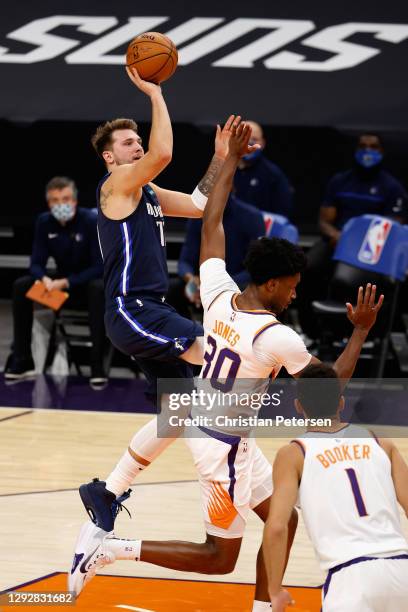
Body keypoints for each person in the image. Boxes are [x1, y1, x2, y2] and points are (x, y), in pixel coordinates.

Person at [70, 122, 383, 609]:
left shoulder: (217, 293)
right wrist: (361, 329)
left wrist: (227, 158)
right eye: (295, 285)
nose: (297, 293)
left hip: (223, 430)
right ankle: (112, 550)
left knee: (285, 517)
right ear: (276, 285)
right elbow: (328, 387)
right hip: (221, 449)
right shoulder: (278, 337)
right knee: (219, 558)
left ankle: (261, 604)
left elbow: (209, 221)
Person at [70, 68, 237, 550]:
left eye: (137, 139)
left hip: (150, 309)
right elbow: (164, 153)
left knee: (179, 410)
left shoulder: (145, 192)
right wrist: (155, 93)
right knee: (216, 359)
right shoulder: (116, 185)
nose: (136, 146)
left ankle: (106, 492)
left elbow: (202, 203)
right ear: (110, 157)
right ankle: (224, 481)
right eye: (127, 142)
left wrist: (220, 158)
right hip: (132, 309)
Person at [263, 362, 408, 611]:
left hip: (350, 577)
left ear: (298, 406)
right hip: (402, 569)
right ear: (341, 403)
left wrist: (274, 590)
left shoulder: (294, 453)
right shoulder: (381, 443)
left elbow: (276, 526)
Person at [297, 133, 408, 339]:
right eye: (363, 146)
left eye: (373, 147)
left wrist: (356, 243)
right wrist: (336, 235)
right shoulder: (340, 181)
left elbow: (394, 226)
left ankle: (361, 334)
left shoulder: (392, 187)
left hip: (372, 249)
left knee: (350, 279)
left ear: (381, 152)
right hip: (337, 240)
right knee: (305, 267)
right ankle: (310, 331)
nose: (368, 151)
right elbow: (324, 220)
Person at [4, 176, 107, 387]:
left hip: (85, 288)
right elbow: (36, 263)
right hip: (57, 293)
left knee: (98, 288)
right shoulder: (44, 222)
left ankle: (97, 366)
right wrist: (44, 279)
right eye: (55, 200)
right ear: (49, 203)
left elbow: (99, 267)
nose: (61, 204)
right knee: (22, 285)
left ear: (75, 201)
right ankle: (22, 361)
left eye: (66, 198)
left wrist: (67, 282)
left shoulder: (89, 221)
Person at [167, 191, 265, 318]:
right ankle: (186, 333)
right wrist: (191, 278)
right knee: (172, 289)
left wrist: (220, 285)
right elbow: (185, 261)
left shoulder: (252, 217)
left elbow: (255, 269)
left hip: (237, 282)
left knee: (254, 289)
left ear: (230, 189)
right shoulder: (197, 215)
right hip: (204, 284)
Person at [233, 121, 293, 217]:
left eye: (255, 139)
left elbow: (282, 216)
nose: (250, 143)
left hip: (260, 229)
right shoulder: (224, 170)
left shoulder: (273, 174)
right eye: (245, 138)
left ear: (263, 143)